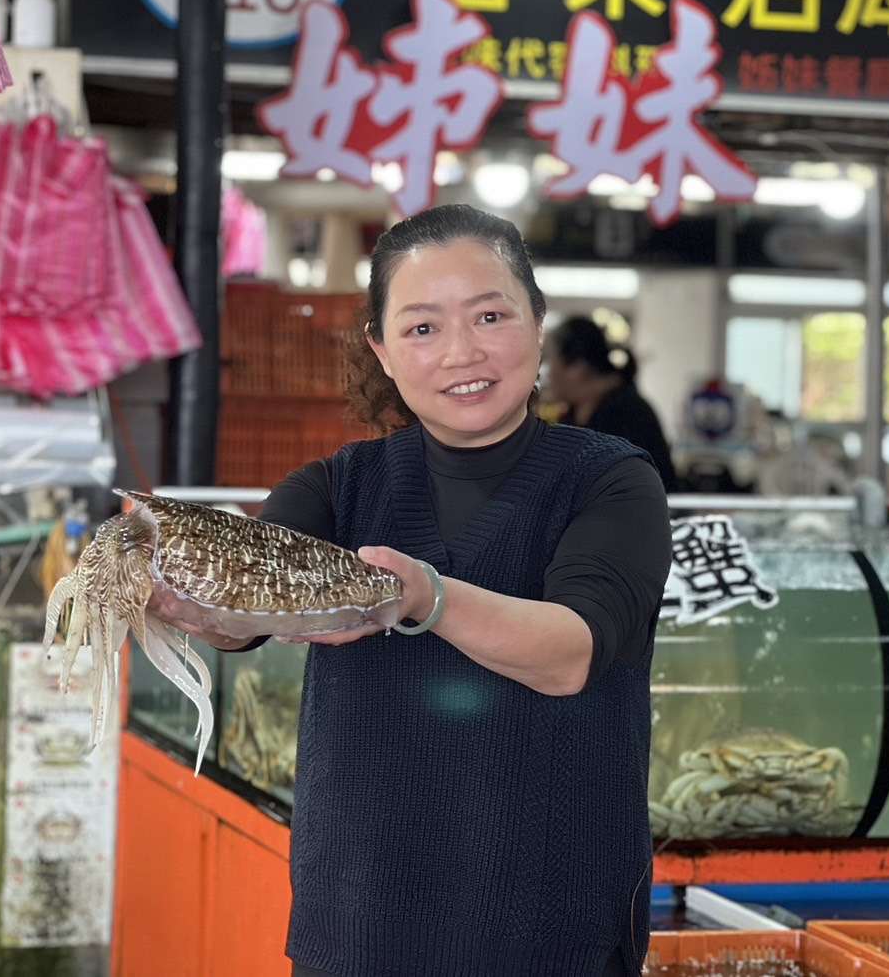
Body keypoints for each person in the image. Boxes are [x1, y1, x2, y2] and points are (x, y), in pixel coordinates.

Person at [154, 204, 671, 977]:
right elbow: (240, 610)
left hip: (552, 924)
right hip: (360, 920)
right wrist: (181, 596)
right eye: (422, 328)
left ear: (536, 323)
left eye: (490, 315)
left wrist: (421, 597)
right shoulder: (335, 487)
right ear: (382, 351)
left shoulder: (610, 480)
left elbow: (569, 654)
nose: (461, 351)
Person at [546, 316, 678, 492]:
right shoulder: (574, 414)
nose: (547, 373)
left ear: (577, 368)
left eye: (550, 361)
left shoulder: (627, 414)